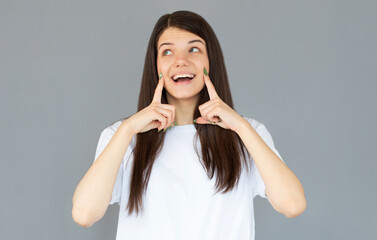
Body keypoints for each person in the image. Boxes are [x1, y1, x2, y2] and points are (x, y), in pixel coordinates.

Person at [72, 10, 306, 240]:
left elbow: (293, 204)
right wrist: (127, 129)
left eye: (194, 49)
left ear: (210, 61)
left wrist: (242, 127)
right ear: (156, 66)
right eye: (167, 52)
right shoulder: (123, 136)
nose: (181, 61)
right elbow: (84, 214)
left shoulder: (245, 134)